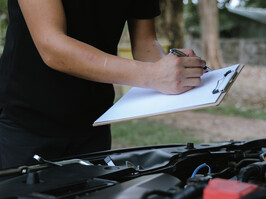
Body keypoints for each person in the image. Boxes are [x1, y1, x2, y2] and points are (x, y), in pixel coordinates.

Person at [0, 0, 206, 170]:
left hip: (93, 120)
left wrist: (176, 71)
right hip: (25, 121)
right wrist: (153, 74)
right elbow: (52, 47)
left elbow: (145, 44)